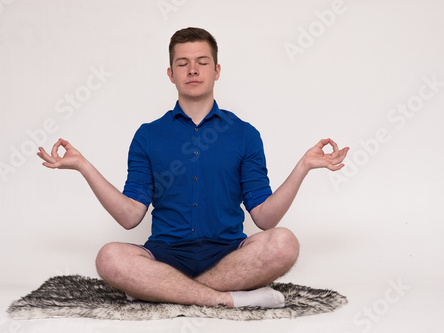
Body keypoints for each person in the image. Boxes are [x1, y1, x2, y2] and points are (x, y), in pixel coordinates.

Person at [37, 27, 349, 308]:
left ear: (217, 70)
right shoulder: (148, 135)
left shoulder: (245, 134)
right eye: (183, 63)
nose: (193, 70)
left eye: (202, 61)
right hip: (166, 255)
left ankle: (161, 291)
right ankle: (228, 299)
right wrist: (82, 165)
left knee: (284, 243)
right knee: (110, 258)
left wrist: (303, 167)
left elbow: (266, 219)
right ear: (171, 74)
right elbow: (130, 216)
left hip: (228, 254)